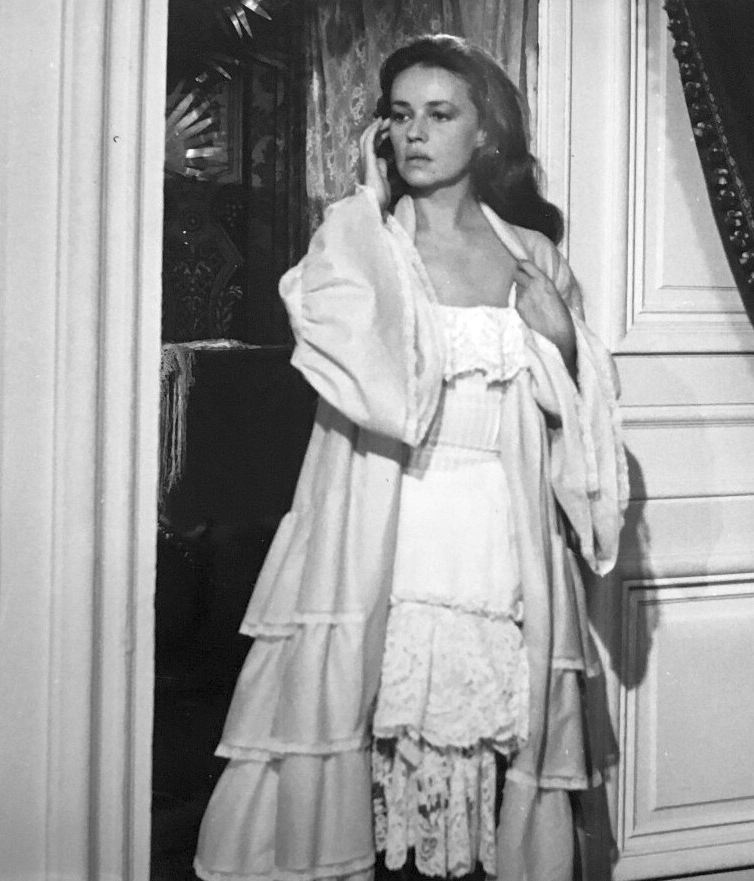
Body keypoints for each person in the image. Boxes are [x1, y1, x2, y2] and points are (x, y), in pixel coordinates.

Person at [194, 34, 627, 881]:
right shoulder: (358, 247)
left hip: (499, 529)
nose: (415, 133)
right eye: (398, 116)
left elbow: (583, 421)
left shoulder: (532, 257)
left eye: (439, 113)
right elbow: (366, 378)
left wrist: (563, 340)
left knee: (490, 744)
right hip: (385, 519)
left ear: (484, 131)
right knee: (366, 724)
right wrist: (361, 201)